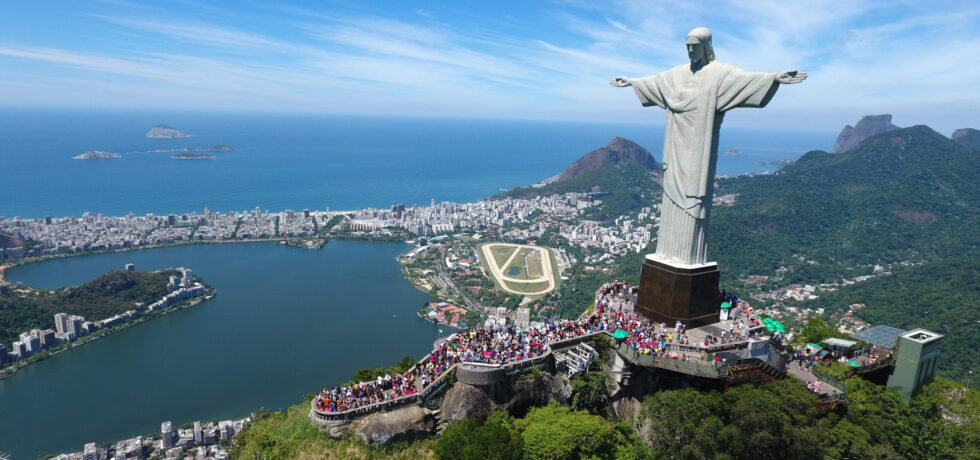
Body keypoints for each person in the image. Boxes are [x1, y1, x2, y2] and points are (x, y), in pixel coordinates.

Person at [611, 27, 806, 265]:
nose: (691, 51)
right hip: (674, 147)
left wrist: (774, 77)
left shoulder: (721, 72)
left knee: (694, 198)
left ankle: (688, 256)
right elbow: (655, 82)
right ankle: (667, 252)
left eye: (696, 46)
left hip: (699, 149)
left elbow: (747, 80)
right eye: (688, 46)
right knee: (671, 196)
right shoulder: (677, 74)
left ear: (707, 46)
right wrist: (632, 82)